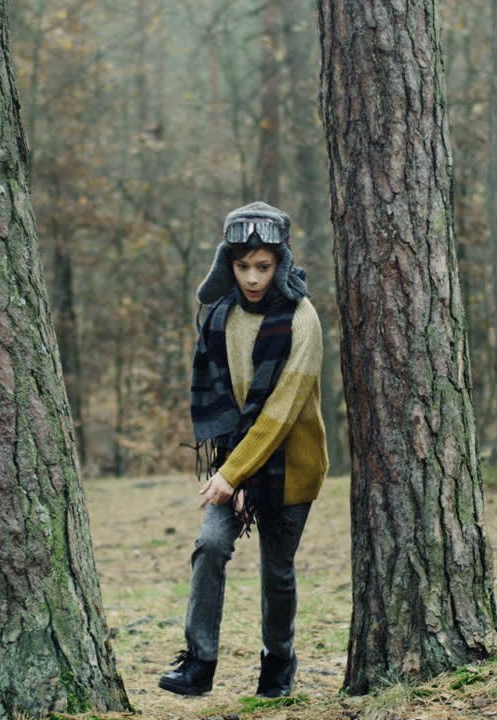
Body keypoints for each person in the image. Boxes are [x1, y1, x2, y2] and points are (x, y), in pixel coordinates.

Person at [159, 201, 328, 698]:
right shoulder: (221, 316)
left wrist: (235, 475)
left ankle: (278, 663)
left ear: (281, 263)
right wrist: (233, 474)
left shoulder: (302, 319)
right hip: (236, 461)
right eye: (242, 266)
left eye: (263, 266)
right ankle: (199, 662)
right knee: (210, 546)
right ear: (227, 264)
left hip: (291, 465)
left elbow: (281, 411)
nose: (252, 277)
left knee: (277, 573)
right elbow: (226, 403)